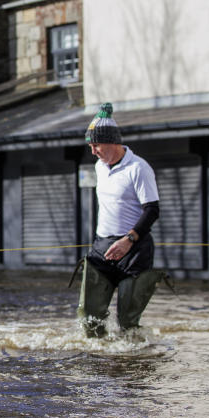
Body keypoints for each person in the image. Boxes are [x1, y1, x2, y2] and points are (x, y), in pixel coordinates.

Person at [78, 102, 163, 337]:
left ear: (112, 141)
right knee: (89, 318)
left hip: (133, 251)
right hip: (102, 248)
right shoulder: (99, 166)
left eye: (96, 145)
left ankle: (131, 364)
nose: (93, 151)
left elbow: (152, 210)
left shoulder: (138, 168)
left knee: (127, 323)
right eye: (90, 146)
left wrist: (128, 240)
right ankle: (99, 363)